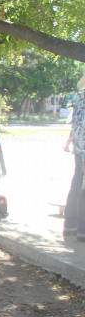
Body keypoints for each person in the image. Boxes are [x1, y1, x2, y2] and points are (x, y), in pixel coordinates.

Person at [64, 76, 85, 241]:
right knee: (81, 187)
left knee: (77, 183)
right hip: (82, 147)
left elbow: (76, 124)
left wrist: (71, 140)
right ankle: (81, 230)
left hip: (79, 148)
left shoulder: (80, 98)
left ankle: (70, 226)